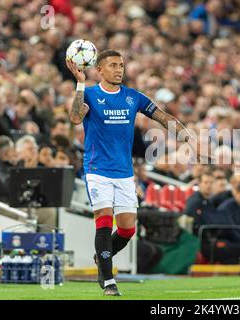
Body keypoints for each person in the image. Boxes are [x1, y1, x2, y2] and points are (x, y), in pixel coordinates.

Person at [66, 50, 204, 296]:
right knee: (104, 221)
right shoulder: (89, 94)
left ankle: (102, 257)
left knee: (128, 229)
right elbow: (76, 118)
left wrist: (189, 139)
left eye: (121, 65)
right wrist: (79, 83)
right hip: (97, 170)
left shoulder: (132, 97)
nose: (119, 69)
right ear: (99, 69)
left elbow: (163, 117)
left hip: (124, 172)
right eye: (113, 65)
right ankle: (108, 279)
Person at [183, 171, 215, 236]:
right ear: (199, 184)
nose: (209, 185)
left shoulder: (210, 201)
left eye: (211, 183)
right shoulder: (194, 201)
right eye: (206, 182)